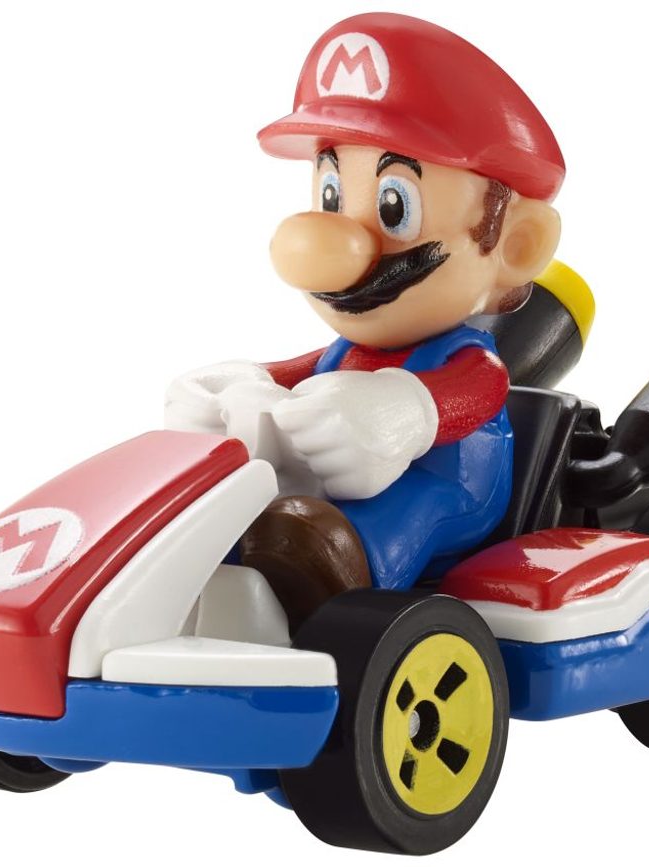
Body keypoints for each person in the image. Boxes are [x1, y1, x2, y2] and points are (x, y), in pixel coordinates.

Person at [165, 13, 565, 626]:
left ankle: (345, 571)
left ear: (516, 244)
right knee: (248, 503)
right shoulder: (343, 355)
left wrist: (402, 414)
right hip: (334, 488)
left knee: (405, 508)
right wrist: (235, 388)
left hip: (450, 486)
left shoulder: (471, 361)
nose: (337, 241)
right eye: (331, 196)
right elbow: (296, 372)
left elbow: (471, 396)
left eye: (393, 205)